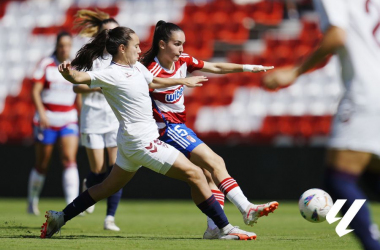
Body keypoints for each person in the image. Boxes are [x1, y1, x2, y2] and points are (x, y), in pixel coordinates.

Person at [40, 26, 257, 240]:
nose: (139, 50)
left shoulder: (137, 68)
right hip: (142, 142)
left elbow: (153, 81)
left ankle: (60, 218)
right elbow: (79, 79)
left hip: (128, 143)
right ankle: (224, 228)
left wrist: (182, 81)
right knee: (196, 174)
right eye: (136, 46)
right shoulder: (111, 73)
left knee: (106, 187)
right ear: (123, 48)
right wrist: (69, 73)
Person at [141, 20, 278, 239]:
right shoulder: (151, 69)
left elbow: (215, 66)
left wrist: (247, 68)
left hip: (180, 126)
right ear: (162, 44)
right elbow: (149, 83)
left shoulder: (183, 60)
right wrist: (183, 80)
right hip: (166, 128)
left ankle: (214, 228)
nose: (182, 49)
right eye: (177, 44)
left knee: (208, 175)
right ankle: (246, 208)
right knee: (216, 162)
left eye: (183, 44)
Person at [263, 0, 380, 249]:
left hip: (367, 92)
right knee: (371, 173)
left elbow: (337, 35)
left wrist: (295, 71)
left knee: (338, 180)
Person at [72, 9, 122, 231]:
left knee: (116, 169)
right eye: (107, 32)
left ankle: (109, 218)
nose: (110, 36)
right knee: (99, 170)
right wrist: (99, 88)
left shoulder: (121, 59)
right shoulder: (91, 58)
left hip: (114, 118)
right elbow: (76, 85)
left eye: (114, 32)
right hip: (92, 118)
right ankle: (88, 186)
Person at [28, 31, 81, 215]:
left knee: (69, 159)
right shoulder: (46, 64)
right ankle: (32, 201)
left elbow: (79, 93)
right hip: (48, 119)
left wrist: (81, 116)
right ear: (57, 45)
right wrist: (41, 113)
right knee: (42, 163)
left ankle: (73, 204)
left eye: (68, 45)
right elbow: (35, 91)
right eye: (61, 45)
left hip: (68, 118)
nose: (64, 48)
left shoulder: (76, 65)